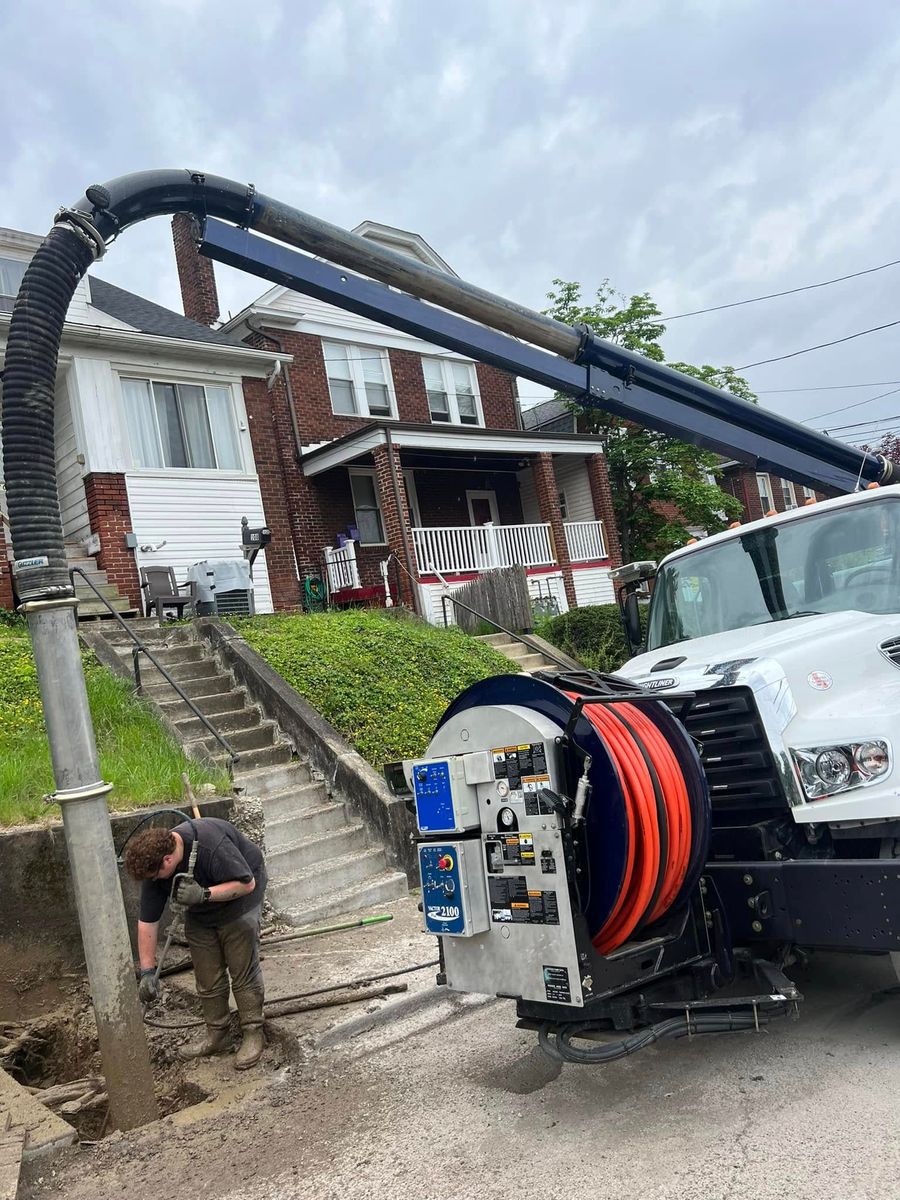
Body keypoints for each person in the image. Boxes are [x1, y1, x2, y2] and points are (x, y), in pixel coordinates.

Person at [124, 817, 268, 1070]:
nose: (154, 881)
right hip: (200, 912)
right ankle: (218, 1035)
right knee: (206, 972)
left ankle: (254, 1032)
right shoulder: (155, 870)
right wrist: (147, 971)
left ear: (167, 861)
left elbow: (247, 883)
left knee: (241, 968)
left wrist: (204, 894)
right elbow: (147, 921)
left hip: (239, 901)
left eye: (155, 876)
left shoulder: (211, 846)